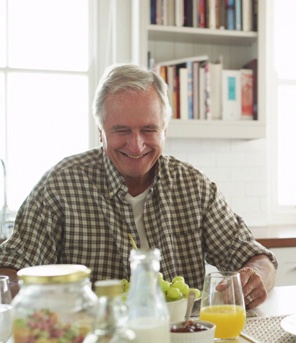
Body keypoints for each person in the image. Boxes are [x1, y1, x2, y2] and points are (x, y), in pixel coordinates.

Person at [0, 63, 277, 309]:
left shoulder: (193, 186)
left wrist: (255, 276)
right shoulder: (60, 185)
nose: (136, 145)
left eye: (148, 130)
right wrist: (22, 293)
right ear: (100, 132)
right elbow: (12, 267)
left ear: (164, 130)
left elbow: (253, 255)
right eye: (121, 131)